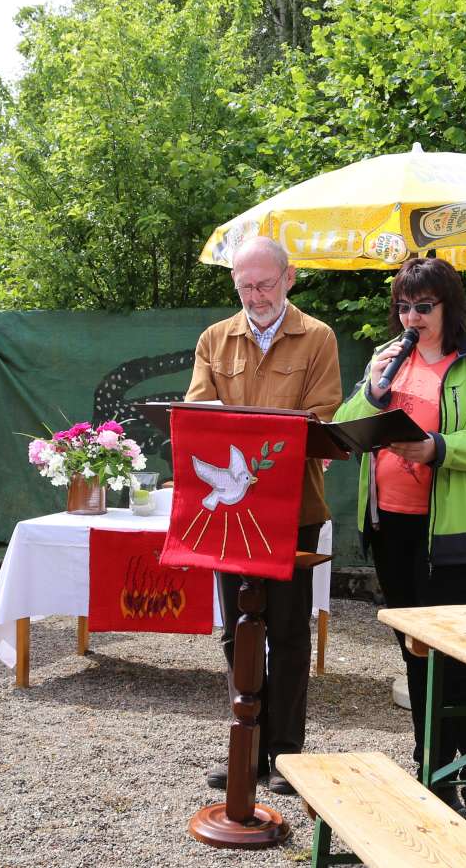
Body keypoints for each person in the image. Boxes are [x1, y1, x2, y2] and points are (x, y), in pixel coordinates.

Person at [331, 255, 466, 843]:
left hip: (459, 536)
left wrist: (439, 449)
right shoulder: (388, 358)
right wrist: (372, 391)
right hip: (393, 527)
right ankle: (434, 777)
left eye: (424, 306)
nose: (411, 317)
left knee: (459, 664)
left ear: (449, 305)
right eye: (403, 306)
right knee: (417, 657)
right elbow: (347, 427)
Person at [185, 235, 342, 796]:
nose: (255, 296)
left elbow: (322, 418)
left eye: (265, 284)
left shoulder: (318, 337)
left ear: (290, 278)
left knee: (289, 632)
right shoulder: (214, 338)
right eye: (245, 285)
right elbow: (200, 414)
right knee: (237, 631)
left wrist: (257, 443)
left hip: (294, 509)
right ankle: (245, 746)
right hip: (231, 512)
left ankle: (286, 754)